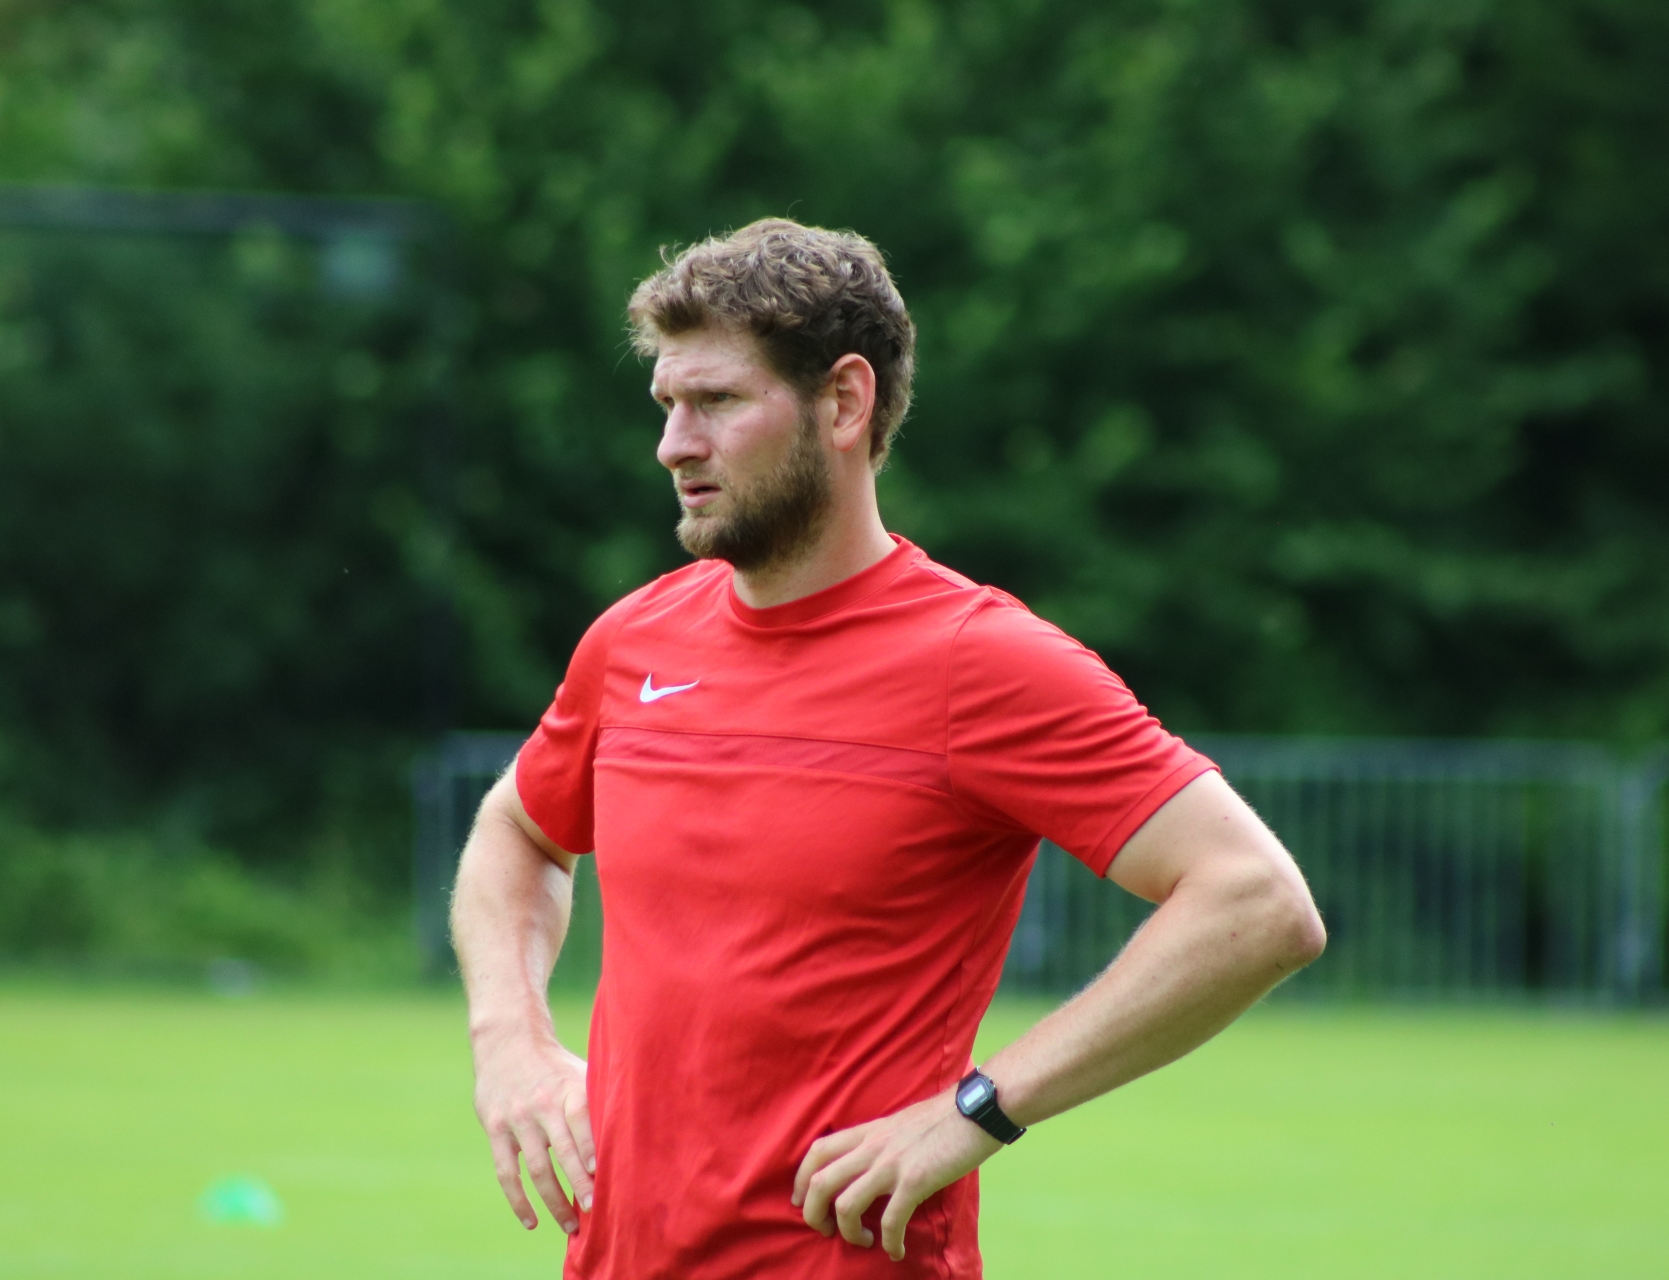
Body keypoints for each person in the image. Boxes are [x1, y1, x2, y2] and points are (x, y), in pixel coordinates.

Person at [450, 218, 1326, 1278]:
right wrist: (510, 1041)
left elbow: (1256, 902)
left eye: (716, 401)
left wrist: (980, 1108)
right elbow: (518, 830)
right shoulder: (634, 639)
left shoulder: (980, 659)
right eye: (667, 404)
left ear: (845, 402)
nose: (674, 444)